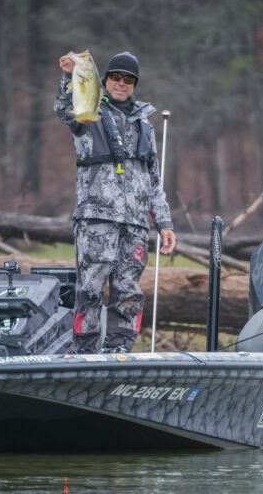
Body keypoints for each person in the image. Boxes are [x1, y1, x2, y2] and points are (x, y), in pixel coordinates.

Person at [54, 51, 176, 354]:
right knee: (91, 287)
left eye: (128, 79)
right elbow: (64, 108)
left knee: (128, 291)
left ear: (134, 84)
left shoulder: (145, 125)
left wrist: (164, 222)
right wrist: (69, 76)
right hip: (97, 218)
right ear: (105, 80)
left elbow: (154, 181)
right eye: (115, 77)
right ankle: (84, 350)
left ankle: (119, 350)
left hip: (135, 224)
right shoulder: (89, 111)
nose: (121, 83)